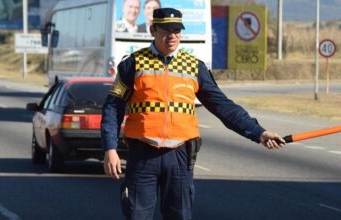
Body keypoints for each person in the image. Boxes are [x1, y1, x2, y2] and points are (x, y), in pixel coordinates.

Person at [101, 8, 285, 220]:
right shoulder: (132, 64)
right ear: (153, 30)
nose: (172, 36)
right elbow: (112, 107)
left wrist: (258, 132)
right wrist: (110, 148)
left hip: (180, 156)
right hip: (143, 155)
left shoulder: (194, 67)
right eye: (166, 30)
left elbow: (222, 106)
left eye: (177, 30)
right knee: (137, 216)